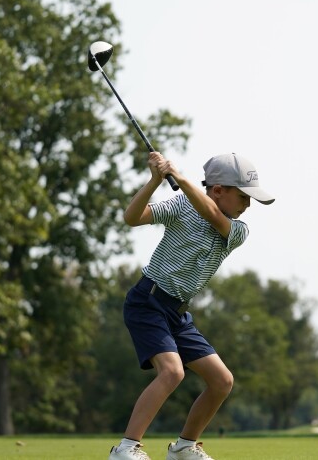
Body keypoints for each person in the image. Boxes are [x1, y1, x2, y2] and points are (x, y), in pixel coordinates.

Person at [108, 151, 275, 460]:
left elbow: (212, 215)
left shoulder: (238, 230)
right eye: (243, 196)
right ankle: (126, 448)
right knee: (172, 373)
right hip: (148, 301)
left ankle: (184, 447)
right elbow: (132, 218)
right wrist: (155, 180)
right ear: (219, 189)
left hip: (177, 312)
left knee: (222, 381)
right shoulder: (181, 204)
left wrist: (181, 178)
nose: (248, 204)